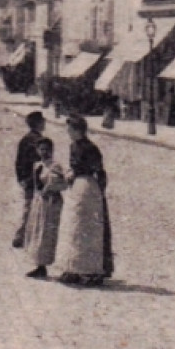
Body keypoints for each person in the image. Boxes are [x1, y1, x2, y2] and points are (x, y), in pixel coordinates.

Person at [55, 114, 114, 287]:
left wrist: (99, 192)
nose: (68, 132)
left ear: (77, 130)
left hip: (86, 188)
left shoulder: (89, 148)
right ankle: (73, 268)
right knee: (74, 226)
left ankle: (90, 270)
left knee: (86, 228)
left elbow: (97, 170)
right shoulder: (76, 146)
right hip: (80, 188)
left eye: (69, 129)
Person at [22, 138, 68, 279]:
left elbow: (62, 184)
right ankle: (40, 265)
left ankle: (58, 265)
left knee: (49, 232)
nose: (44, 152)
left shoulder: (55, 166)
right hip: (39, 202)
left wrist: (50, 188)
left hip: (51, 203)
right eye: (41, 149)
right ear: (37, 151)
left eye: (47, 149)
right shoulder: (37, 166)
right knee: (38, 231)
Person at [11, 112, 52, 249]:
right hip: (35, 179)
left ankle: (24, 236)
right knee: (31, 207)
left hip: (27, 179)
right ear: (39, 123)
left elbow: (18, 161)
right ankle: (21, 236)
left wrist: (20, 178)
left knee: (29, 207)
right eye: (43, 121)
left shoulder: (25, 139)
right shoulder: (40, 141)